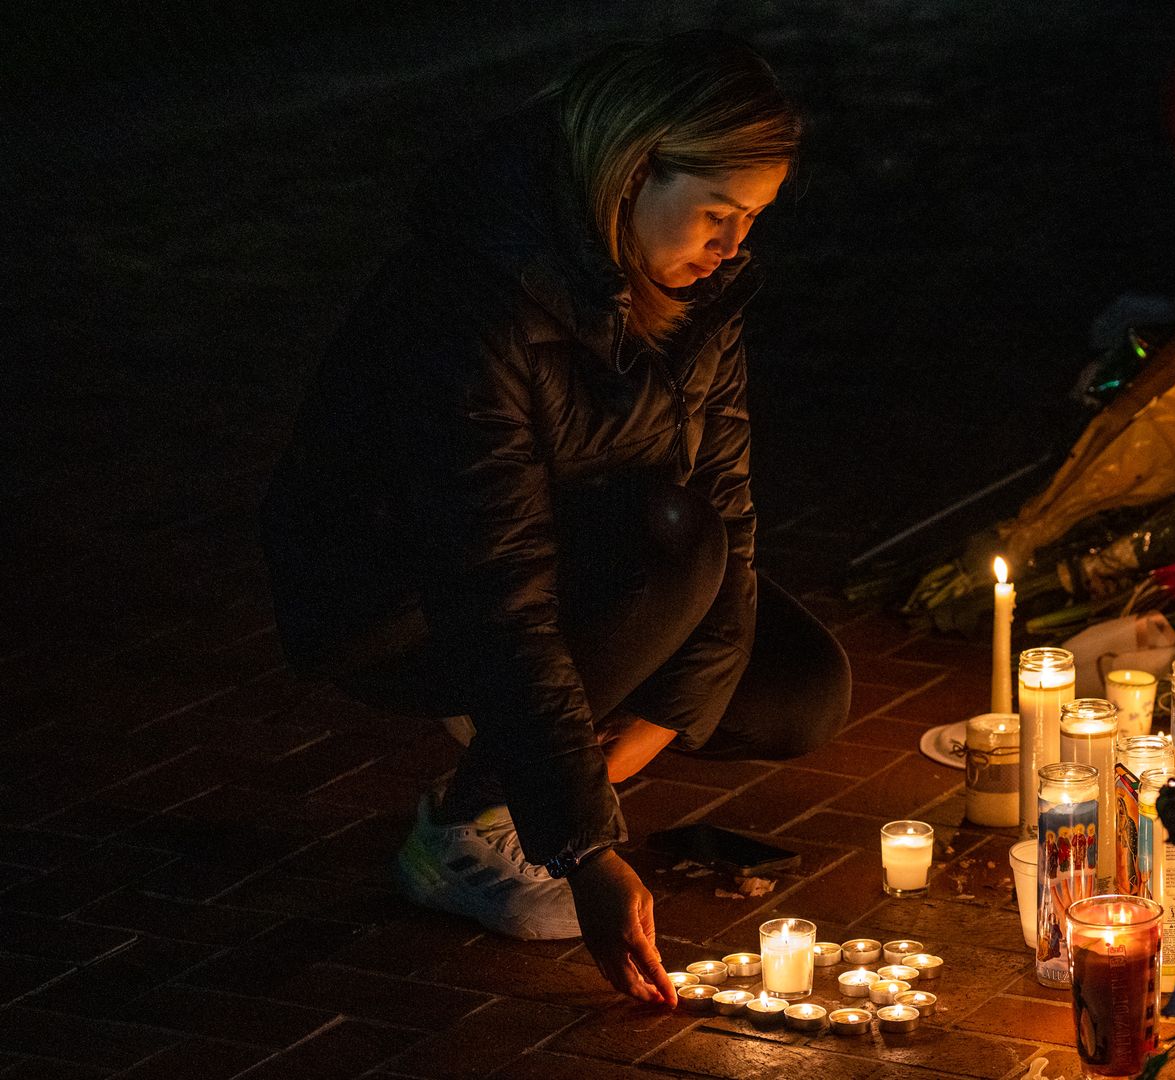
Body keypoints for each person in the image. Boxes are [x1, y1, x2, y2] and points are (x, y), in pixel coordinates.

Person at [259, 33, 849, 1004]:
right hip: (396, 596)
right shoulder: (475, 298)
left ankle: (536, 747)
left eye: (753, 219)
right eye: (717, 213)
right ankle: (461, 829)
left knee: (794, 688)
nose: (734, 247)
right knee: (673, 540)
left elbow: (732, 502)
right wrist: (581, 844)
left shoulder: (701, 291)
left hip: (591, 543)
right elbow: (492, 583)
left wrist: (629, 753)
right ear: (634, 169)